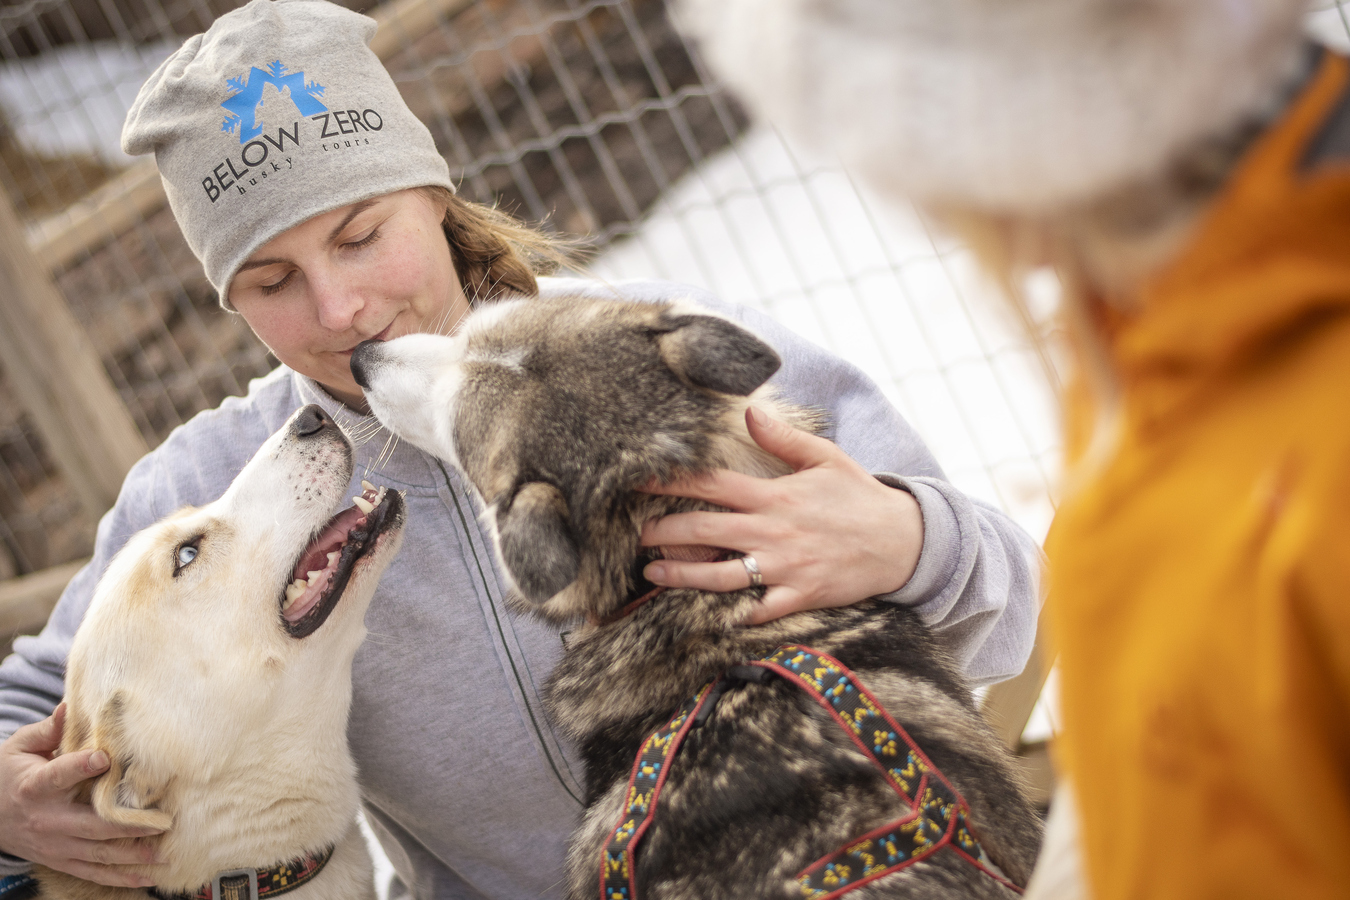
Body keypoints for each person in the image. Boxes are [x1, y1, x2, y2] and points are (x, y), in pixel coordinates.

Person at [0, 0, 1041, 896]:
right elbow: (36, 698)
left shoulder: (645, 351)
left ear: (438, 200)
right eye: (270, 283)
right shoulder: (221, 491)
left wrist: (910, 542)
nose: (340, 305)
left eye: (362, 235)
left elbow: (1010, 606)